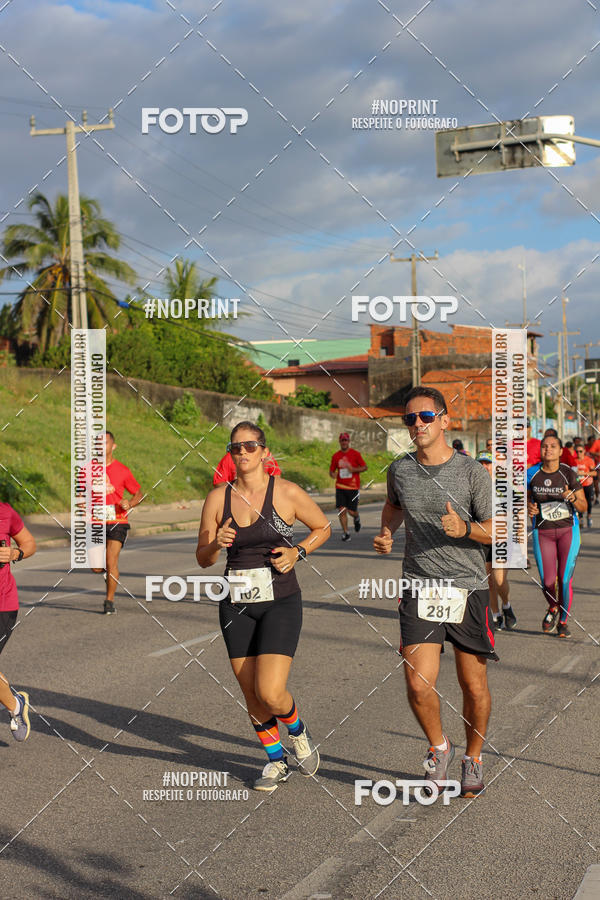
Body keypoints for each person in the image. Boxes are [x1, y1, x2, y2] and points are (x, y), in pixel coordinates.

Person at [374, 386, 496, 799]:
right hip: (419, 584)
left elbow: (498, 529)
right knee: (418, 685)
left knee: (473, 684)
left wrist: (466, 530)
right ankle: (439, 747)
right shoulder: (401, 470)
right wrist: (387, 532)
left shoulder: (471, 473)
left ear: (445, 420)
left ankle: (474, 757)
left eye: (426, 417)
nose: (418, 425)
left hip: (468, 589)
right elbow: (393, 504)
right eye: (410, 419)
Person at [197, 421, 331, 792]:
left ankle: (298, 732)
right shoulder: (217, 499)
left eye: (250, 446)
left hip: (281, 601)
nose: (242, 453)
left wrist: (297, 551)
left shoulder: (286, 492)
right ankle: (276, 761)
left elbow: (322, 527)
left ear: (265, 452)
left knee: (271, 691)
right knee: (251, 694)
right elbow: (203, 558)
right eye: (235, 448)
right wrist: (216, 543)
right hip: (236, 604)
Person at [527, 435, 586, 638]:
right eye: (544, 446)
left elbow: (583, 506)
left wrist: (572, 498)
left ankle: (563, 621)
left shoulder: (568, 473)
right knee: (547, 581)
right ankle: (553, 607)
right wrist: (529, 507)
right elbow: (522, 502)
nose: (548, 450)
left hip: (568, 530)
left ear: (561, 451)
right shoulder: (531, 474)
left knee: (564, 577)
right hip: (542, 532)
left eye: (553, 447)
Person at [91, 432, 143, 615]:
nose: (100, 446)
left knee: (111, 561)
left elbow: (138, 493)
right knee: (96, 566)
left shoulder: (122, 470)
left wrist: (130, 503)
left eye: (104, 443)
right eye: (97, 443)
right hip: (96, 521)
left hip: (117, 521)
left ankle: (109, 600)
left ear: (113, 446)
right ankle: (108, 572)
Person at [0, 502, 36, 741]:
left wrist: (14, 553)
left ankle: (15, 705)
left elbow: (30, 544)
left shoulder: (5, 512)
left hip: (2, 603)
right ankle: (15, 703)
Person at [475, 453, 517, 631]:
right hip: (482, 538)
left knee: (499, 580)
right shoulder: (473, 486)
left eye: (488, 463)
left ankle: (506, 605)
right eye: (482, 463)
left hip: (501, 537)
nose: (485, 467)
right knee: (489, 580)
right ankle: (495, 614)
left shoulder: (503, 487)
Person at [329, 432, 367, 542]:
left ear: (348, 442)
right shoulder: (336, 456)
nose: (344, 442)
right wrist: (333, 475)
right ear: (340, 442)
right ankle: (346, 533)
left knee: (351, 511)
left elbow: (365, 467)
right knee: (342, 510)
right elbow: (331, 471)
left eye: (346, 440)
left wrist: (353, 470)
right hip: (340, 487)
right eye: (342, 440)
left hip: (353, 487)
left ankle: (356, 517)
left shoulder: (355, 454)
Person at [213, 449, 281, 485]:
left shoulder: (266, 456)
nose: (243, 451)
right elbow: (219, 483)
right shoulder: (229, 458)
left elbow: (276, 478)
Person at [572, 444, 596, 528]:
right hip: (578, 485)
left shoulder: (589, 460)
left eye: (580, 451)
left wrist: (584, 473)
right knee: (579, 501)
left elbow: (595, 473)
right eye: (577, 451)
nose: (579, 453)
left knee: (588, 501)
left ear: (584, 451)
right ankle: (581, 518)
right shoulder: (573, 461)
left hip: (588, 484)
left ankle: (589, 516)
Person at [585, 434, 600, 505]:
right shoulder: (586, 448)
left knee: (596, 484)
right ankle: (593, 496)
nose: (593, 442)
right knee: (595, 483)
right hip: (594, 468)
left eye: (594, 440)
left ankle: (596, 497)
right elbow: (591, 453)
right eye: (592, 441)